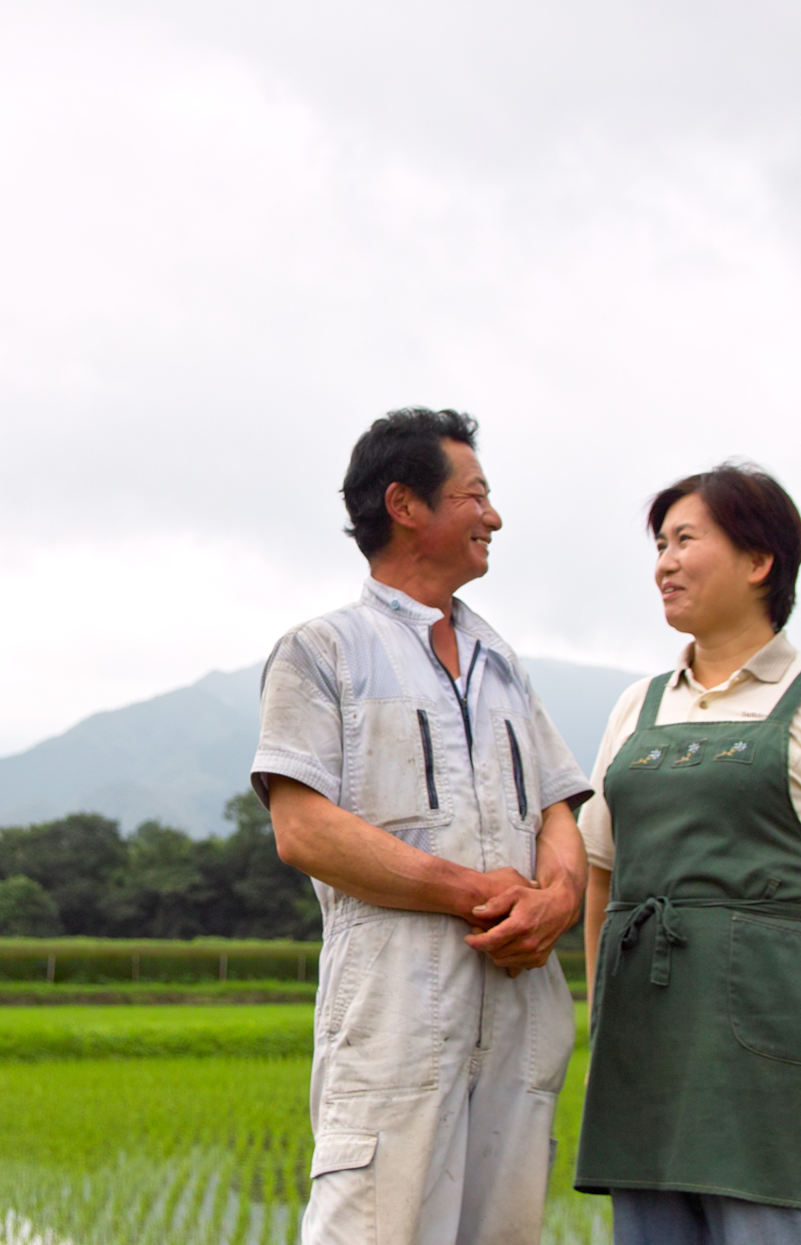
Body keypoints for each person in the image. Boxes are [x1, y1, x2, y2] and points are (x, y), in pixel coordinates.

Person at [252, 408, 593, 1245]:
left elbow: (557, 804)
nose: (494, 516)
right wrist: (482, 894)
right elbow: (304, 829)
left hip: (516, 1017)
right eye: (476, 495)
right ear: (406, 505)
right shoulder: (322, 651)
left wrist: (559, 899)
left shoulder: (502, 659)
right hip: (394, 1018)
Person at [574, 464, 801, 1245]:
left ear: (759, 560)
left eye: (685, 540)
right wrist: (606, 1014)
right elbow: (600, 869)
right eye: (659, 544)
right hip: (646, 1047)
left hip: (772, 1039)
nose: (664, 562)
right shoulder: (639, 704)